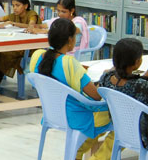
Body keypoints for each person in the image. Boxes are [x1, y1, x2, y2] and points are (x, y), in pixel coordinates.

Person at [26, 19, 113, 160]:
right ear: (70, 40)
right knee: (117, 121)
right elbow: (96, 96)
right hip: (75, 116)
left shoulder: (37, 57)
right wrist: (107, 76)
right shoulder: (69, 63)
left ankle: (76, 154)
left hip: (52, 114)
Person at [0, 0, 38, 91]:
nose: (15, 8)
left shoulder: (32, 14)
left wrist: (12, 23)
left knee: (3, 55)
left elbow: (31, 26)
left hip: (29, 48)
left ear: (26, 6)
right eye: (13, 5)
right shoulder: (13, 16)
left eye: (18, 5)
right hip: (15, 44)